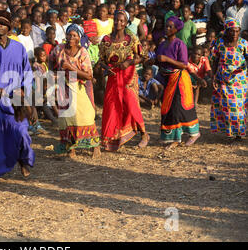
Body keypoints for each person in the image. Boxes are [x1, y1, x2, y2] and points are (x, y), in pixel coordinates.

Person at [0, 10, 35, 179]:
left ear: (9, 27)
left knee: (21, 131)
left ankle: (24, 159)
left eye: (3, 23)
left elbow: (27, 72)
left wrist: (24, 90)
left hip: (15, 99)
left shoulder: (19, 47)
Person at [99, 10, 150, 151]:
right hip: (113, 76)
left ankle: (144, 134)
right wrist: (105, 68)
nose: (118, 23)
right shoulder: (106, 40)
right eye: (116, 20)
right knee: (112, 106)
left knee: (131, 103)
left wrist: (130, 62)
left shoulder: (132, 38)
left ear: (126, 23)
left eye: (122, 21)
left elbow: (143, 56)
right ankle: (112, 139)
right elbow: (101, 60)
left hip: (128, 75)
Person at [50, 24, 100, 157]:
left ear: (79, 38)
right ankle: (70, 148)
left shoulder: (83, 52)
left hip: (77, 86)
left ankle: (95, 146)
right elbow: (51, 62)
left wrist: (70, 67)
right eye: (69, 35)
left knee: (84, 117)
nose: (71, 38)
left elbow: (89, 75)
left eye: (74, 36)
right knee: (66, 118)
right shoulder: (58, 49)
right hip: (62, 86)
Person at [156, 16, 200, 149]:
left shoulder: (179, 44)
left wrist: (166, 59)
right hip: (168, 79)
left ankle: (192, 134)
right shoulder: (162, 44)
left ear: (176, 29)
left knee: (179, 108)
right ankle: (174, 136)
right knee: (169, 109)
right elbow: (159, 60)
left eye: (170, 26)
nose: (167, 28)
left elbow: (183, 64)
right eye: (166, 26)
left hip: (179, 79)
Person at [210, 18, 247, 142]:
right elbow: (214, 60)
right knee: (227, 107)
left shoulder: (243, 44)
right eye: (232, 31)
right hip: (223, 80)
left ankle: (240, 133)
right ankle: (230, 132)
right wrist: (213, 76)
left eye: (237, 31)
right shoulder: (219, 43)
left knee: (239, 108)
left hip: (239, 81)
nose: (235, 34)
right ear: (226, 31)